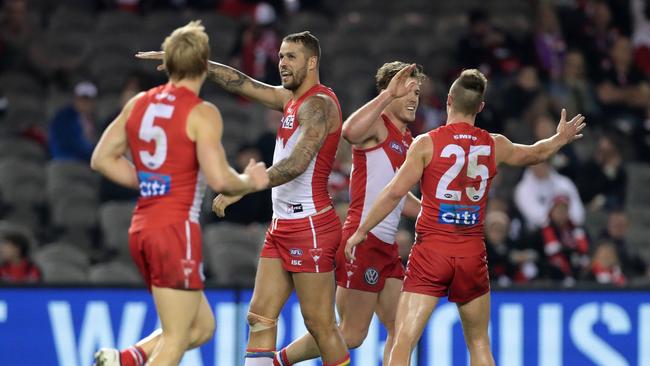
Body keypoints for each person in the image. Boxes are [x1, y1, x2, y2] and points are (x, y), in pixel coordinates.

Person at [137, 30, 350, 366]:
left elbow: (298, 162)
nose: (281, 63)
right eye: (280, 56)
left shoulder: (319, 106)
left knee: (320, 326)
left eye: (290, 57)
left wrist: (245, 186)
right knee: (259, 317)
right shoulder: (289, 99)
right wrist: (193, 65)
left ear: (311, 62)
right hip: (282, 225)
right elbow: (241, 82)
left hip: (310, 226)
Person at [345, 69, 586, 366]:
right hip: (472, 252)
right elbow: (534, 154)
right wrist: (559, 139)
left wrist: (361, 230)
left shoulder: (426, 143)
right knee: (479, 343)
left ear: (449, 101)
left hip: (431, 251)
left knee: (404, 338)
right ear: (480, 107)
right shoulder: (493, 144)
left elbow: (394, 193)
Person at [91, 21, 269, 366]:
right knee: (177, 337)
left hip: (142, 228)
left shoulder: (139, 103)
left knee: (201, 327)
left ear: (166, 64)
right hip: (175, 231)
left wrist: (148, 180)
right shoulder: (201, 112)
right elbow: (221, 180)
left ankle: (126, 359)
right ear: (205, 65)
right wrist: (252, 181)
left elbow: (101, 159)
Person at [274, 62, 424, 365]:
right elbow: (349, 132)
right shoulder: (378, 124)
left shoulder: (407, 139)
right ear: (389, 92)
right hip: (363, 242)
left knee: (402, 327)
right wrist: (386, 96)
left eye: (417, 93)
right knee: (352, 335)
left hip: (386, 248)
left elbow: (396, 196)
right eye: (407, 91)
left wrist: (432, 214)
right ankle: (277, 361)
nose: (413, 99)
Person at [48, 80, 99, 162]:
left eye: (88, 100)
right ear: (75, 99)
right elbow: (67, 144)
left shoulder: (95, 120)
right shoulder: (63, 118)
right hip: (66, 161)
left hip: (86, 163)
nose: (85, 103)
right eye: (82, 99)